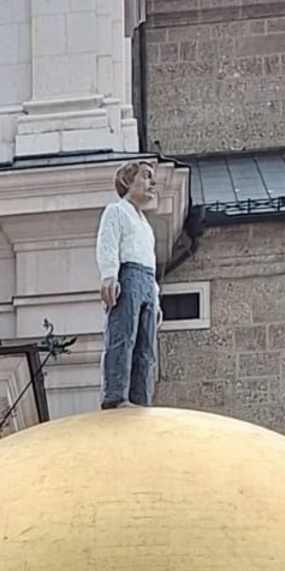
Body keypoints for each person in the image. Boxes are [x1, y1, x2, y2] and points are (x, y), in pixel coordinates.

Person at [96, 159, 160, 409]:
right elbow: (108, 243)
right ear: (127, 181)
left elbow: (151, 261)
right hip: (129, 275)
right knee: (123, 336)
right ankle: (116, 394)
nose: (152, 182)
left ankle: (141, 397)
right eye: (145, 176)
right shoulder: (117, 211)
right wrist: (109, 275)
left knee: (146, 346)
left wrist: (155, 296)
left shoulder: (146, 226)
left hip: (147, 280)